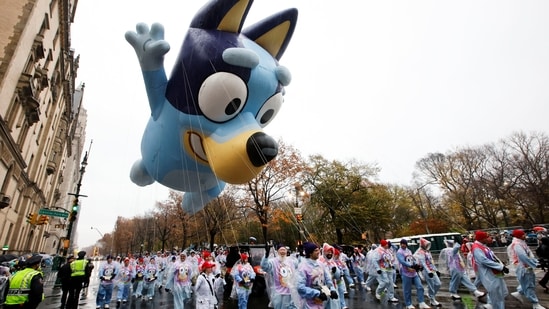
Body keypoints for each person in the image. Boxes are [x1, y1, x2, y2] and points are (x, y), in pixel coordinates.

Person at [507, 229, 546, 309]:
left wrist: (536, 261)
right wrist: (535, 264)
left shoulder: (521, 243)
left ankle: (519, 292)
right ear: (519, 236)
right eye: (523, 234)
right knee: (529, 285)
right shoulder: (517, 244)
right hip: (523, 268)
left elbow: (529, 254)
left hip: (526, 266)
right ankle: (535, 304)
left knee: (529, 282)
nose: (525, 236)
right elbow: (523, 257)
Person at [471, 230, 508, 309]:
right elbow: (484, 261)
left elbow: (493, 257)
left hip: (495, 273)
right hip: (489, 274)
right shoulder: (477, 248)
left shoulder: (483, 246)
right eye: (486, 237)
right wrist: (500, 267)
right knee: (497, 295)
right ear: (481, 238)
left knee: (501, 293)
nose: (488, 238)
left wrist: (501, 264)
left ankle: (491, 305)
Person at [296, 242, 338, 309]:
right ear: (310, 253)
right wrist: (317, 293)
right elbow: (300, 287)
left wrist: (332, 290)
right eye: (316, 250)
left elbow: (328, 280)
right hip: (308, 304)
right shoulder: (302, 267)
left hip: (321, 302)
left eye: (318, 250)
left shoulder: (321, 264)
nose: (318, 252)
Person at [260, 244, 299, 309]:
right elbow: (265, 267)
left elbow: (299, 265)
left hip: (291, 292)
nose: (283, 251)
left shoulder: (291, 261)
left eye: (284, 250)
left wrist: (301, 254)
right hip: (279, 294)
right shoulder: (273, 262)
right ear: (277, 251)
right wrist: (266, 256)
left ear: (286, 251)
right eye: (281, 250)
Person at [396, 239, 430, 309]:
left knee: (420, 287)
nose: (403, 245)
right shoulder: (399, 252)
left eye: (404, 243)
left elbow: (412, 259)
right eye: (402, 243)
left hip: (413, 273)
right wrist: (410, 265)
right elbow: (402, 261)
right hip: (406, 273)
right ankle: (408, 304)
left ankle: (421, 302)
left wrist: (417, 265)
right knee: (407, 289)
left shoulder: (409, 251)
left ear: (406, 244)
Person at [414, 238, 441, 307]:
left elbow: (431, 261)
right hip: (426, 271)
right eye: (426, 244)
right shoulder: (420, 252)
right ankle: (432, 300)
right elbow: (423, 263)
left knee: (438, 284)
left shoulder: (427, 251)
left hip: (432, 270)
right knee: (431, 285)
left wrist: (436, 270)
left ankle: (430, 294)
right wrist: (429, 272)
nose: (427, 246)